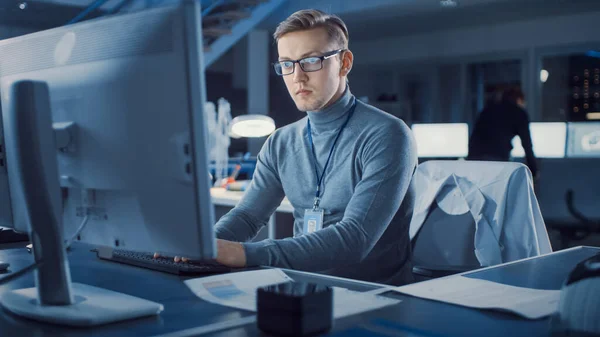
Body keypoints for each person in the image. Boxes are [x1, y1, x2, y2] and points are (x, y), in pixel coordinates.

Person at [163, 9, 417, 286]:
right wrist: (204, 246)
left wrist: (243, 254)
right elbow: (247, 217)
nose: (297, 76)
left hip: (373, 296)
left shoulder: (388, 134)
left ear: (344, 63)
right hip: (300, 288)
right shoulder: (281, 142)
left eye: (310, 61)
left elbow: (354, 239)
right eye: (287, 64)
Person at [468, 87, 538, 178]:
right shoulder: (519, 113)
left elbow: (474, 136)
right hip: (496, 159)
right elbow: (527, 144)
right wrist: (533, 170)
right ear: (519, 99)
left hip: (474, 159)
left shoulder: (487, 110)